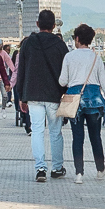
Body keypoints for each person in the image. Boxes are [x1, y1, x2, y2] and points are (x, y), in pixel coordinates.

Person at [59, 23, 105, 184]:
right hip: (95, 101)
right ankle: (100, 169)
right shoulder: (96, 58)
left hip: (75, 102)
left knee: (77, 137)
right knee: (95, 136)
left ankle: (79, 173)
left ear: (77, 39)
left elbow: (62, 81)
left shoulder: (69, 57)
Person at [17, 10, 69, 182]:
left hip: (32, 94)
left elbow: (21, 71)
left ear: (37, 24)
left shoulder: (28, 43)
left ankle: (40, 168)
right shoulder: (60, 45)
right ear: (54, 26)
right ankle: (57, 168)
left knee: (37, 131)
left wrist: (21, 97)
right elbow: (66, 72)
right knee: (55, 132)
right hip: (54, 95)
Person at [10, 48, 31, 135]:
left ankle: (29, 124)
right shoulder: (20, 56)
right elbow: (16, 71)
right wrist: (11, 84)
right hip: (23, 83)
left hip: (31, 83)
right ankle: (28, 125)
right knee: (25, 103)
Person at [0, 40, 14, 118]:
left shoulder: (3, 53)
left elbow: (9, 62)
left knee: (5, 95)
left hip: (2, 77)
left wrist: (15, 72)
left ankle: (3, 108)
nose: (1, 46)